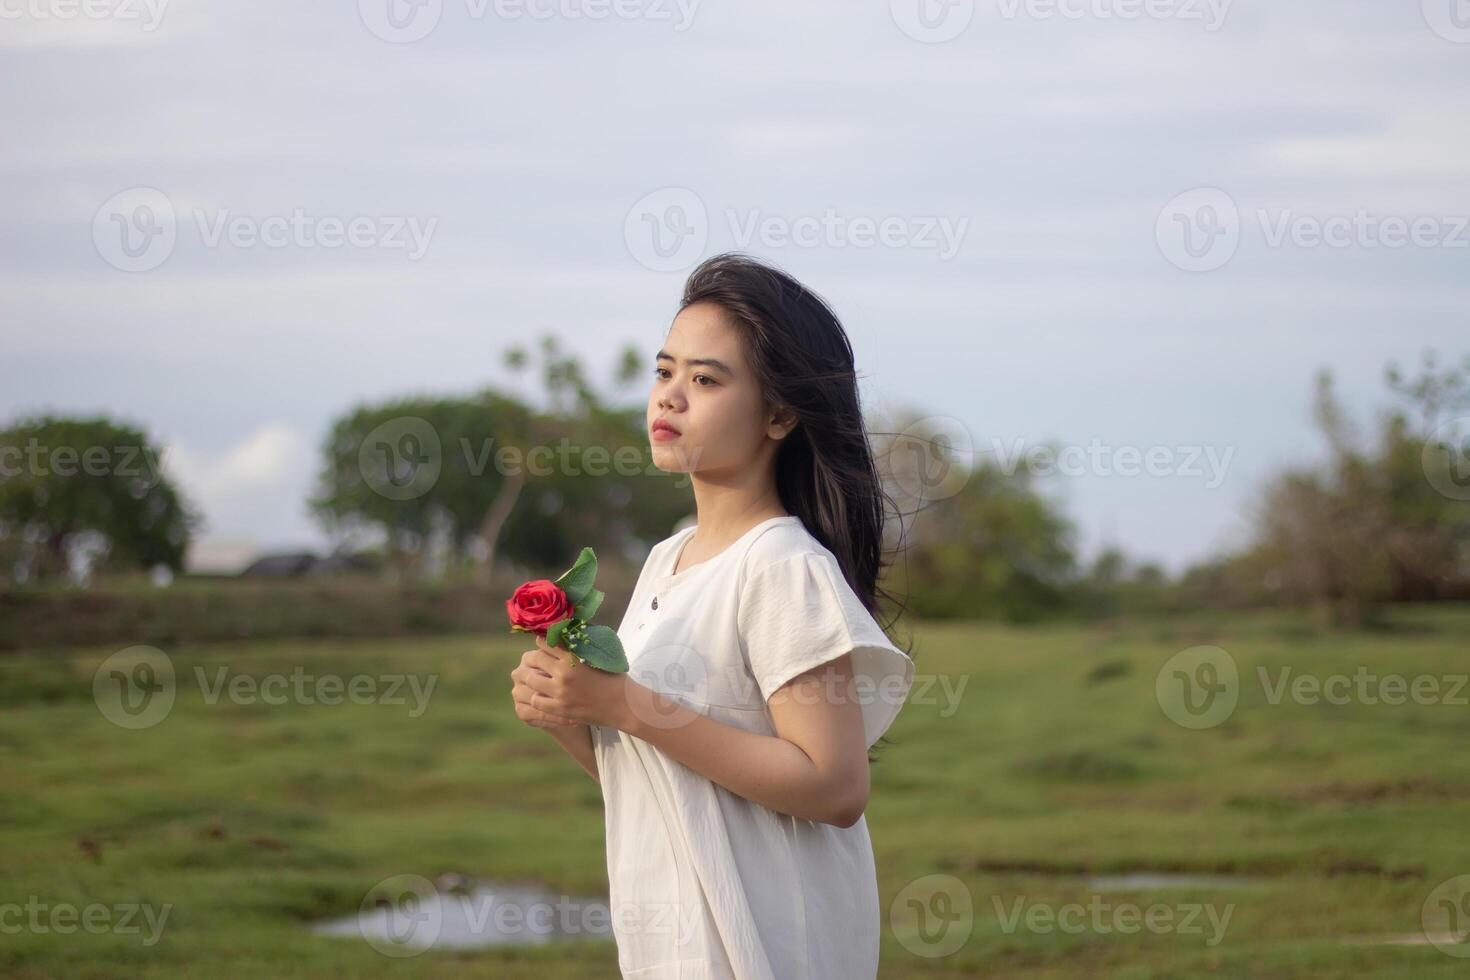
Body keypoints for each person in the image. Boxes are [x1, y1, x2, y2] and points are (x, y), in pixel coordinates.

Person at [509, 252, 916, 978]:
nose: (669, 398)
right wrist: (573, 717)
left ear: (780, 414)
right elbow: (661, 782)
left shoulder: (782, 568)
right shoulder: (670, 559)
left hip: (769, 944)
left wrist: (627, 705)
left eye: (705, 379)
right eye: (665, 372)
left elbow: (835, 786)